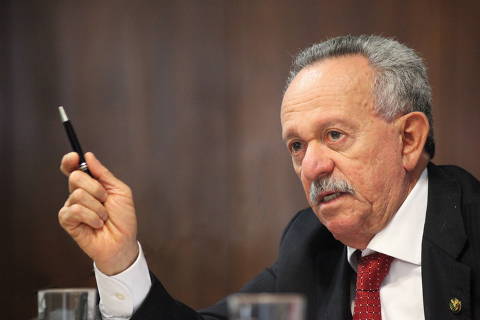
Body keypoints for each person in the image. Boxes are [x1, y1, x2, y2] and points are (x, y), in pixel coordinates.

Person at [58, 35, 480, 320]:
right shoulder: (309, 243)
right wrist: (120, 261)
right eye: (297, 146)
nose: (312, 167)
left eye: (334, 135)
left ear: (408, 139)